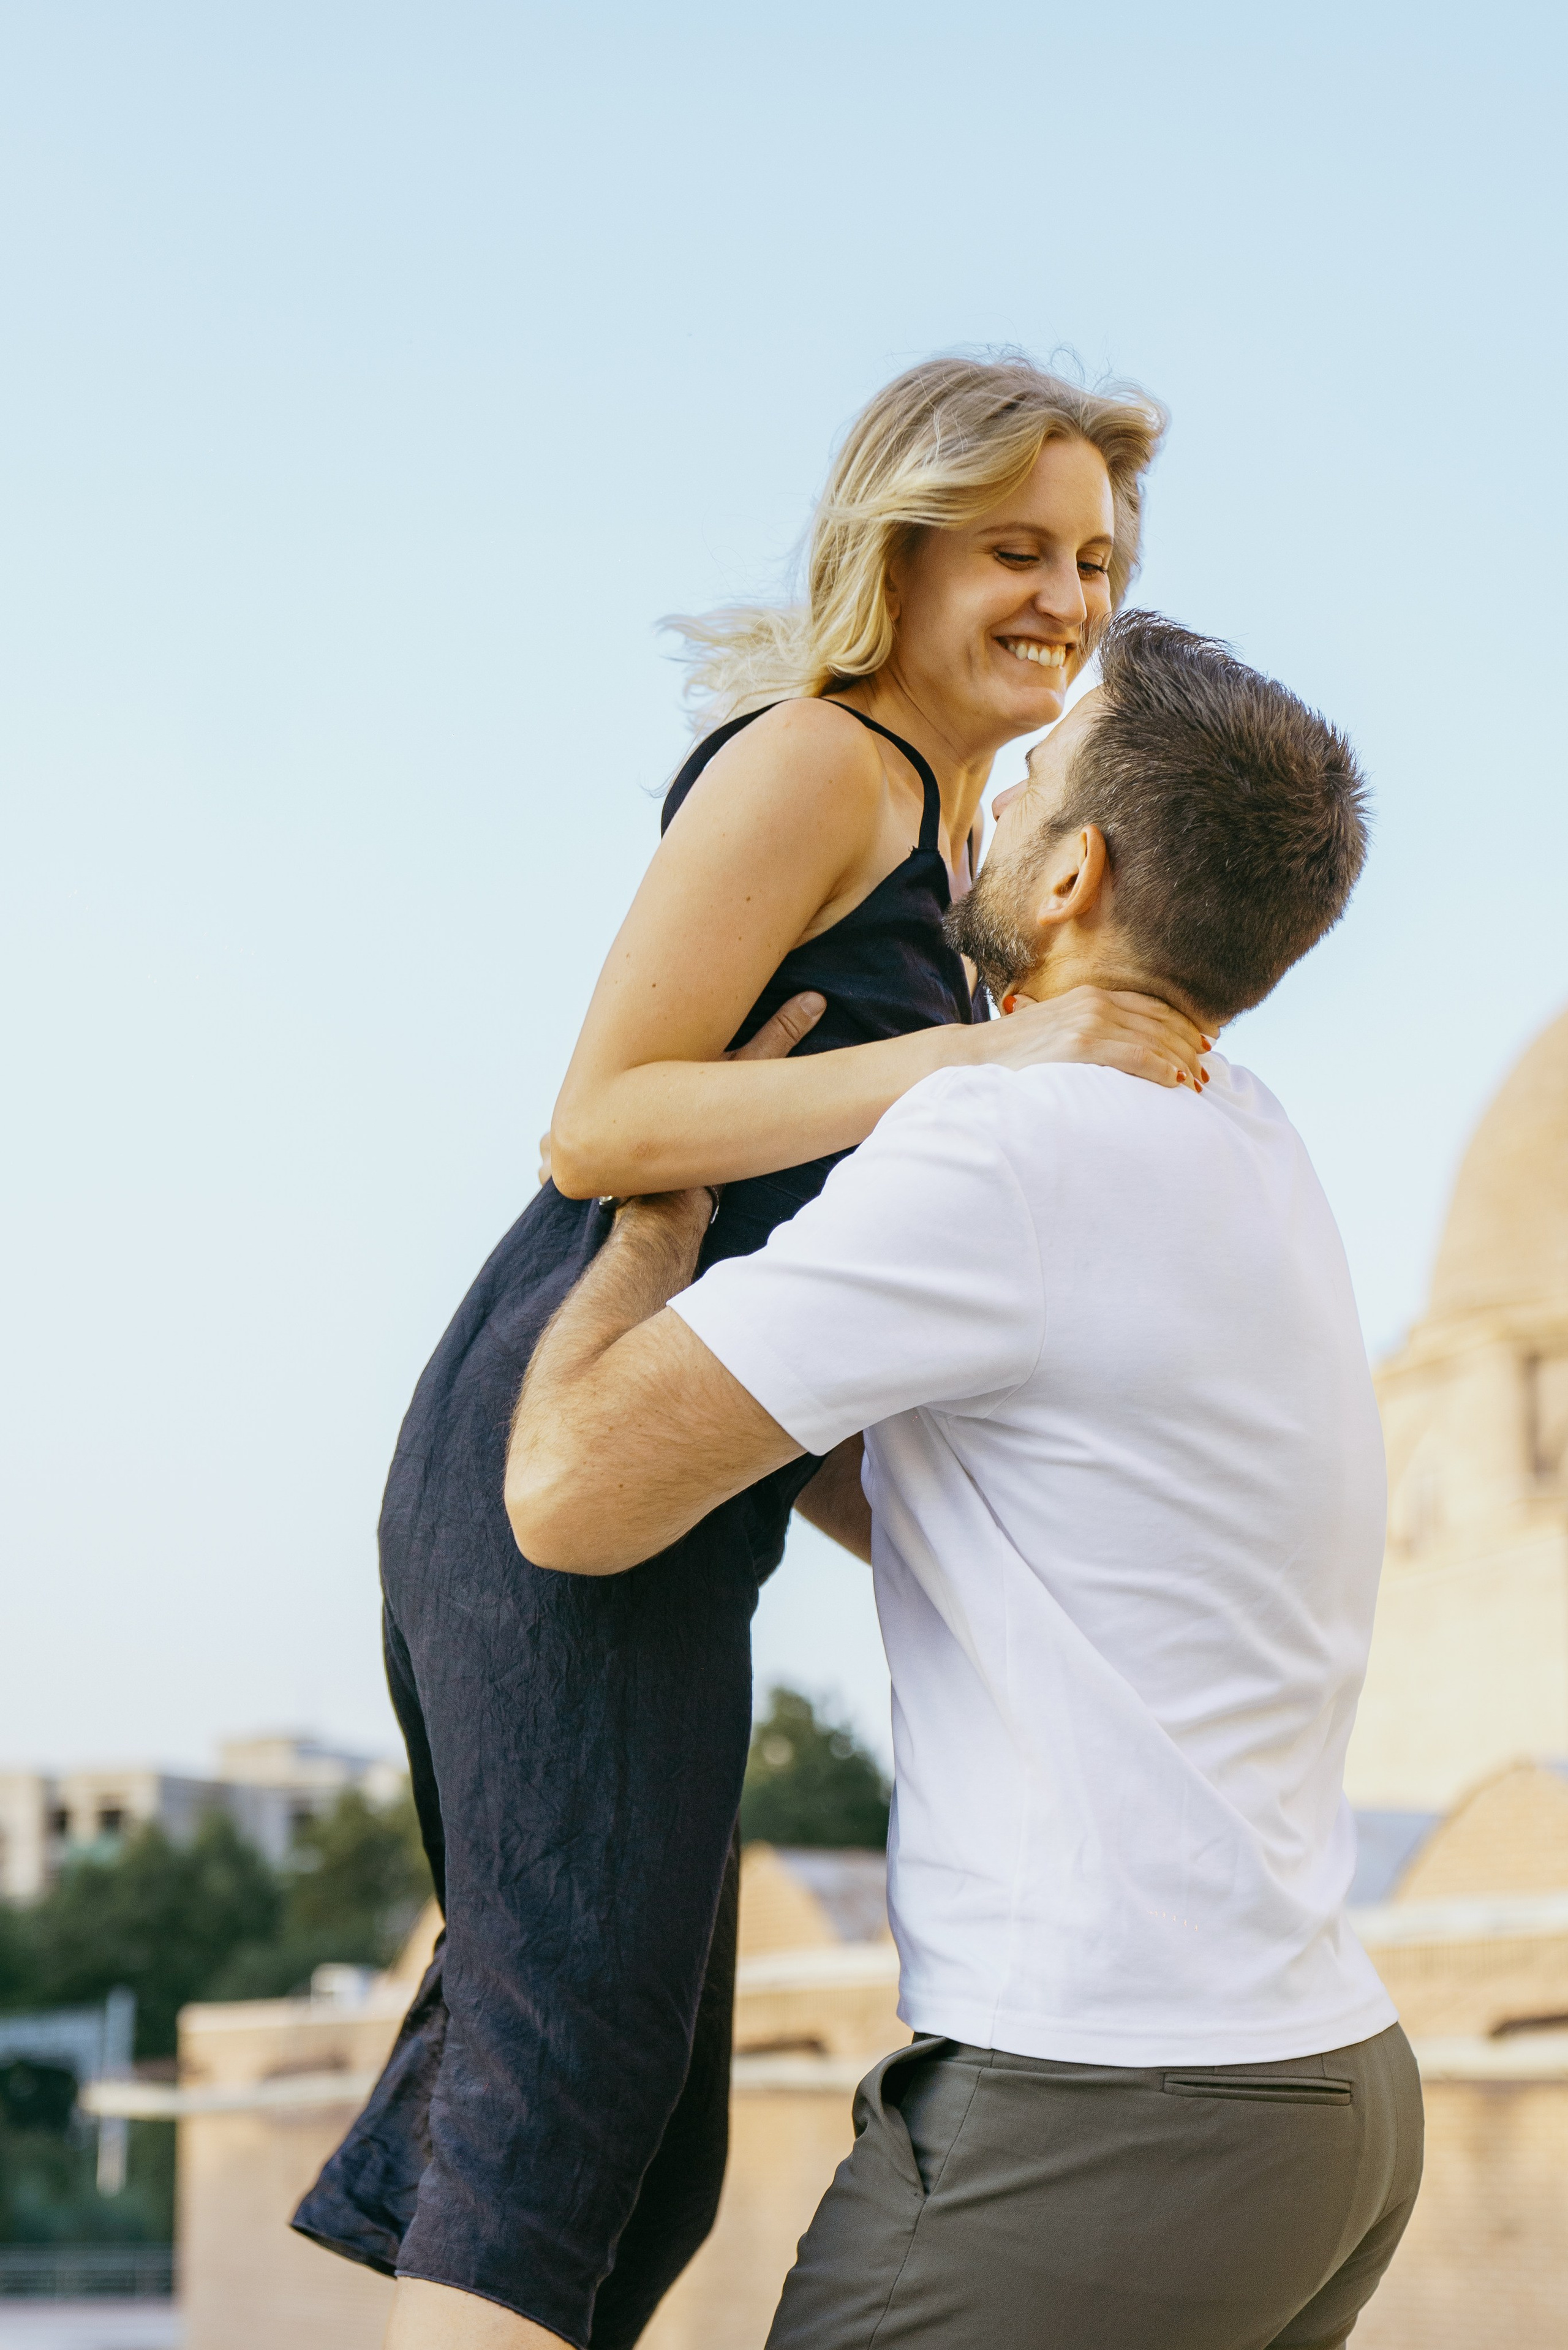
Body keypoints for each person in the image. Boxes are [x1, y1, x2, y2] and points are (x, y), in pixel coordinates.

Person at [292, 356, 1210, 2350]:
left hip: (684, 1489)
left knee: (638, 2140)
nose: (1066, 593)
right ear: (902, 549)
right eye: (1018, 547)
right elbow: (595, 1125)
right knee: (569, 2106)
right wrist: (989, 1053)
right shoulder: (820, 759)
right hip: (559, 1435)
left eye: (1096, 560)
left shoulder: (960, 861)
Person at [505, 612, 1423, 2350]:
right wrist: (760, 1402)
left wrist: (661, 1229)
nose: (981, 813)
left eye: (1029, 782)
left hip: (1101, 2120)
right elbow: (1000, 1502)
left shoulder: (1014, 1139)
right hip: (1324, 2108)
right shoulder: (1245, 1128)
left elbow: (567, 1492)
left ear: (1075, 874)